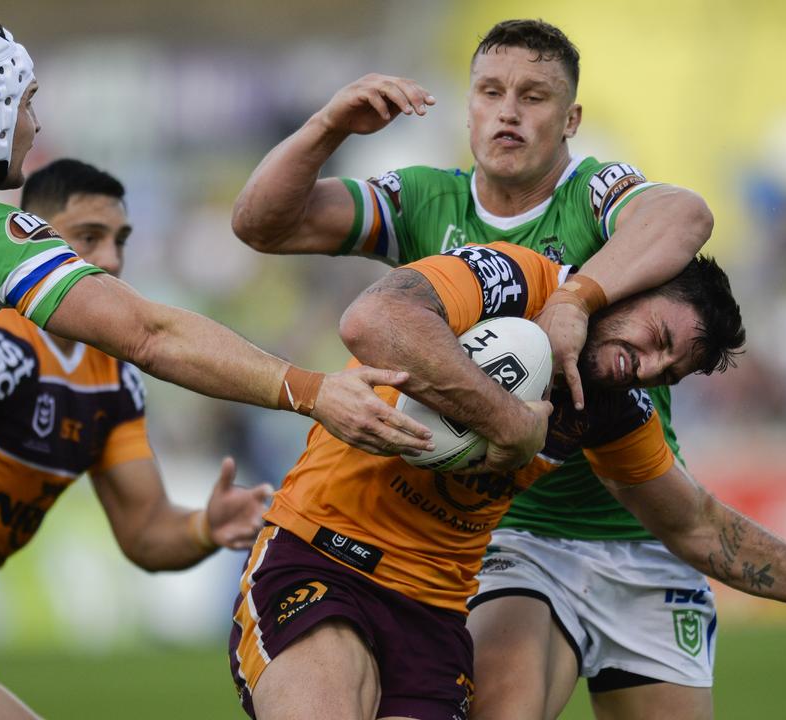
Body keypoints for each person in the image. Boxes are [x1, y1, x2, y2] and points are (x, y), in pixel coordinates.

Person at [0, 16, 430, 720]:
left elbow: (145, 528)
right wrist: (311, 390)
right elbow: (148, 332)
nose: (34, 123)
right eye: (26, 102)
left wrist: (203, 528)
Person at [227, 18, 751, 718]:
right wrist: (328, 125)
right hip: (501, 530)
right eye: (491, 91)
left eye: (534, 96)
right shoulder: (423, 199)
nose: (509, 110)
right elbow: (262, 225)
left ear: (571, 120)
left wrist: (577, 297)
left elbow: (686, 214)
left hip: (628, 510)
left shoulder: (595, 194)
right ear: (468, 104)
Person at [227, 241, 786, 720]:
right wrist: (508, 419)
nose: (651, 369)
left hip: (433, 609)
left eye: (672, 372)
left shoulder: (606, 407)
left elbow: (700, 528)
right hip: (323, 556)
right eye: (659, 339)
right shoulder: (515, 280)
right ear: (630, 288)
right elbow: (374, 318)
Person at [0, 158, 269, 719]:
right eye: (88, 238)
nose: (111, 260)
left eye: (120, 240)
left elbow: (145, 532)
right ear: (32, 239)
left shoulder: (111, 378)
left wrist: (205, 526)